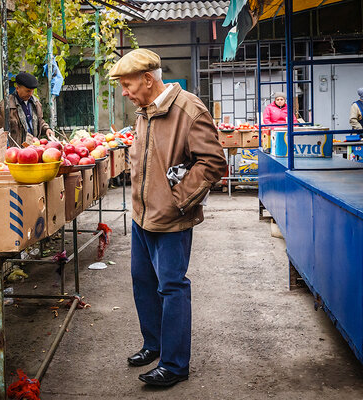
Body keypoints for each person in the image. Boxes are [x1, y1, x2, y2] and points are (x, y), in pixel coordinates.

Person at [108, 49, 226, 388]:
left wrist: (178, 200)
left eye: (127, 84)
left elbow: (213, 163)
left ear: (148, 79)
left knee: (172, 287)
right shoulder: (144, 111)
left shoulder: (189, 110)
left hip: (172, 220)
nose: (124, 92)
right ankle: (154, 345)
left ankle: (174, 365)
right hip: (142, 216)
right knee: (143, 284)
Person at [0, 72, 54, 157]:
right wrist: (6, 157)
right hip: (16, 158)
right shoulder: (5, 107)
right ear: (17, 88)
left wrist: (46, 129)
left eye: (32, 91)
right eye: (27, 91)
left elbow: (39, 122)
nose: (30, 94)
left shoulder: (36, 103)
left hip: (33, 154)